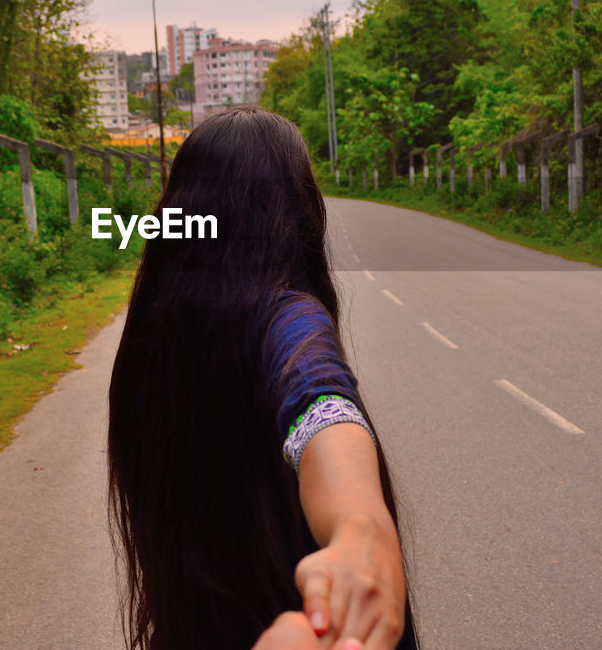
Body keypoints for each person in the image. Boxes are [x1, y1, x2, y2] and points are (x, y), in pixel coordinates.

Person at [107, 105, 418, 650]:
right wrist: (361, 527)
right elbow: (321, 399)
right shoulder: (288, 314)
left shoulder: (150, 333)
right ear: (295, 211)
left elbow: (317, 402)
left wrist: (357, 526)